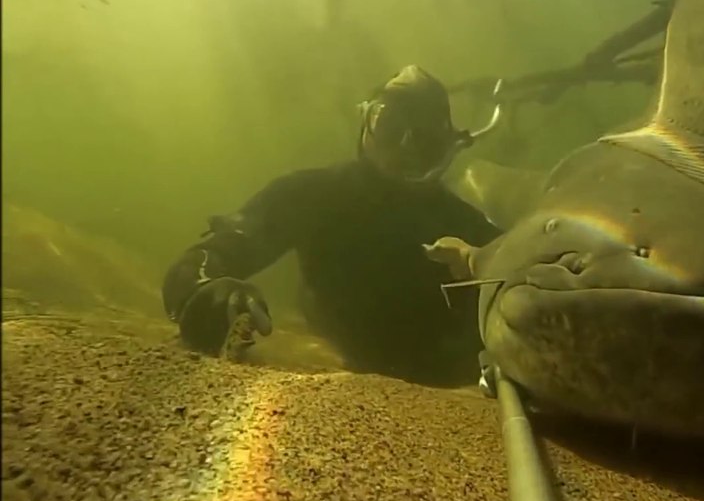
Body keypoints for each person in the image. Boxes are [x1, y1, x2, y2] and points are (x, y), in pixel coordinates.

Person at [161, 65, 501, 386]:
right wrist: (205, 292)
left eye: (424, 135)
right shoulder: (309, 195)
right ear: (365, 122)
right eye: (390, 124)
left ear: (446, 144)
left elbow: (519, 287)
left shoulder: (470, 229)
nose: (406, 145)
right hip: (336, 373)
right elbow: (212, 253)